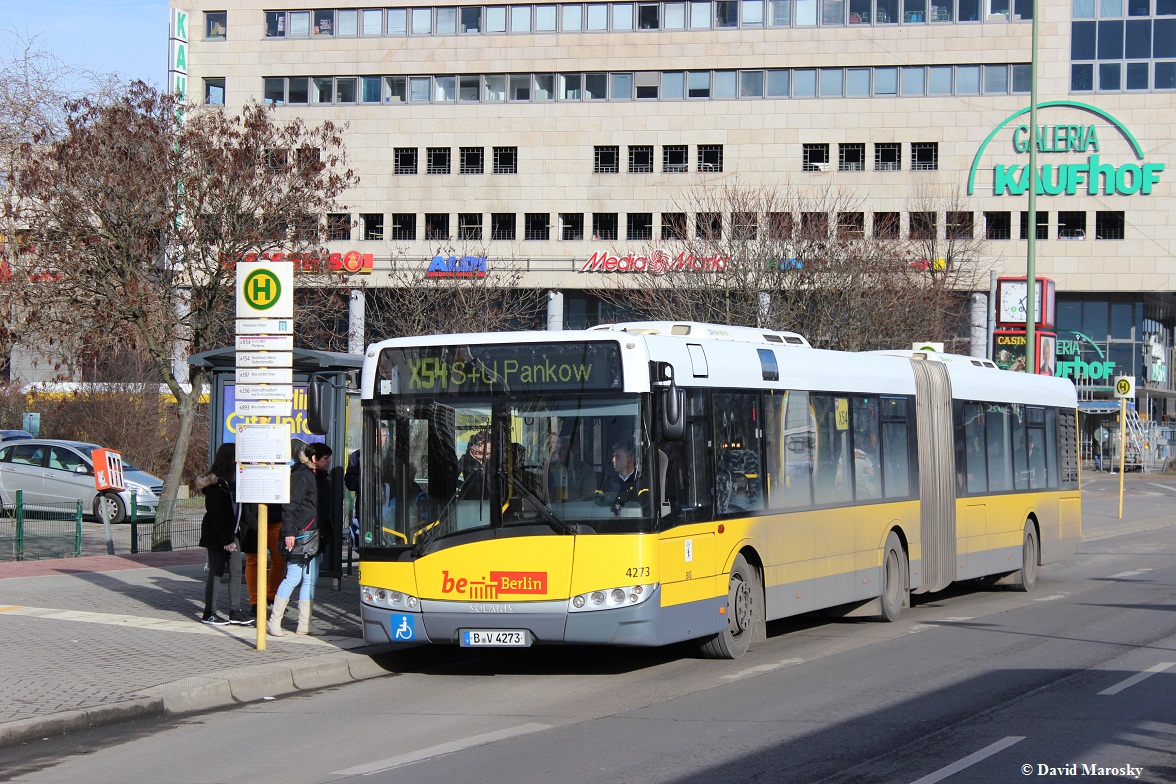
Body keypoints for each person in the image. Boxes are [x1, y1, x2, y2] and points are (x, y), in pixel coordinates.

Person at [268, 440, 320, 637]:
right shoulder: (301, 475)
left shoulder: (307, 474)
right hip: (300, 534)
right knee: (293, 577)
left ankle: (303, 624)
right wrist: (290, 532)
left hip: (307, 533)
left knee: (307, 578)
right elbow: (291, 505)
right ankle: (275, 622)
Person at [196, 443, 250, 625]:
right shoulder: (216, 484)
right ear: (229, 458)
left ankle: (235, 610)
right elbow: (216, 515)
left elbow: (237, 510)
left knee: (235, 572)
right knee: (216, 572)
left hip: (232, 533)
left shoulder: (233, 482)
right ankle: (208, 612)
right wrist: (227, 539)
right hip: (218, 535)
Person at [597, 441, 649, 514]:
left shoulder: (643, 485)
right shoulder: (608, 482)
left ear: (630, 459)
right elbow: (596, 502)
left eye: (617, 456)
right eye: (613, 456)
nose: (613, 460)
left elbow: (644, 511)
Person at [545, 433, 597, 502]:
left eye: (563, 449)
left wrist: (570, 506)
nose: (559, 453)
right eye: (558, 449)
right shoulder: (550, 469)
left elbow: (587, 499)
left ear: (574, 451)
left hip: (575, 511)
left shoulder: (586, 471)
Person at [457, 430, 492, 499]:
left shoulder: (495, 460)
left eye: (486, 443)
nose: (481, 447)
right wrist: (465, 485)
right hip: (469, 501)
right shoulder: (465, 459)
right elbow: (452, 478)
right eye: (479, 444)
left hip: (492, 503)